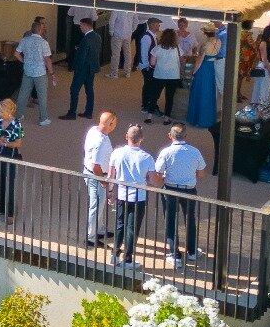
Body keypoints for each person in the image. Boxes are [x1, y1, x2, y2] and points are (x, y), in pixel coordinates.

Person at [107, 125, 158, 269]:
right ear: (141, 138)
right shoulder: (147, 157)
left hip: (121, 194)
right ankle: (128, 259)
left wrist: (110, 192)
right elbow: (153, 181)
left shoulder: (117, 153)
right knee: (132, 228)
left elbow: (111, 176)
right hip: (138, 197)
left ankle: (115, 255)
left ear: (126, 136)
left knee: (120, 224)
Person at [155, 124, 207, 265]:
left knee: (170, 220)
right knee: (190, 219)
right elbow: (201, 174)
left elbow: (158, 175)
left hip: (170, 189)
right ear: (186, 136)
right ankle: (192, 252)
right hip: (189, 190)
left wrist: (164, 177)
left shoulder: (166, 152)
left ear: (170, 135)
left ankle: (174, 254)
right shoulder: (195, 152)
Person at [82, 111, 117, 247]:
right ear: (111, 124)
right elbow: (95, 166)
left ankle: (100, 229)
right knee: (96, 206)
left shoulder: (94, 130)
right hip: (96, 177)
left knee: (99, 205)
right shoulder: (101, 141)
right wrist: (103, 181)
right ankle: (90, 237)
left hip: (91, 173)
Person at [13, 15, 56, 126]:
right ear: (40, 30)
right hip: (40, 73)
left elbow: (16, 54)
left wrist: (24, 61)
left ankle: (18, 115)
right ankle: (43, 119)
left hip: (27, 71)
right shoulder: (43, 43)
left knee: (23, 94)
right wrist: (52, 73)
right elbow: (47, 60)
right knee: (42, 96)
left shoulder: (25, 40)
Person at [0, 97, 24, 225]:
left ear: (9, 112)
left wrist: (5, 143)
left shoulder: (16, 124)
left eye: (2, 111)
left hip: (10, 155)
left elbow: (18, 143)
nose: (0, 114)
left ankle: (10, 213)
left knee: (9, 184)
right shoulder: (0, 122)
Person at [64, 16, 101, 119]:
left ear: (86, 26)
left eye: (81, 25)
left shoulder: (86, 38)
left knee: (74, 89)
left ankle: (72, 113)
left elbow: (82, 56)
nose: (80, 27)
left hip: (82, 69)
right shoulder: (97, 36)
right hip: (92, 68)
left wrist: (75, 68)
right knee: (89, 90)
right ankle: (89, 112)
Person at [148, 27, 184, 121]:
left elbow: (152, 63)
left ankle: (149, 116)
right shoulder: (178, 49)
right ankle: (166, 118)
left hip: (159, 75)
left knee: (154, 96)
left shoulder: (157, 48)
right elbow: (181, 61)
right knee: (169, 98)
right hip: (173, 76)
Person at [137, 18, 162, 118]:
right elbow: (144, 53)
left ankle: (146, 104)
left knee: (148, 85)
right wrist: (147, 66)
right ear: (151, 25)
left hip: (150, 65)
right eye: (157, 24)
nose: (159, 26)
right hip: (147, 66)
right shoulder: (146, 37)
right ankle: (146, 105)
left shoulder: (153, 36)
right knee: (149, 85)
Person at [108, 9, 138, 78]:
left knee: (116, 55)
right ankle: (127, 72)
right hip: (127, 35)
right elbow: (136, 21)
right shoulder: (132, 9)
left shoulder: (116, 9)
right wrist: (131, 30)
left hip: (117, 35)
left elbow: (111, 21)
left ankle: (114, 73)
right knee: (127, 53)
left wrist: (111, 32)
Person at [235, 18, 258, 102]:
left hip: (238, 57)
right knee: (239, 78)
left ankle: (238, 93)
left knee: (239, 77)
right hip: (244, 59)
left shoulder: (239, 33)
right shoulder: (248, 35)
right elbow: (254, 47)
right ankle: (236, 95)